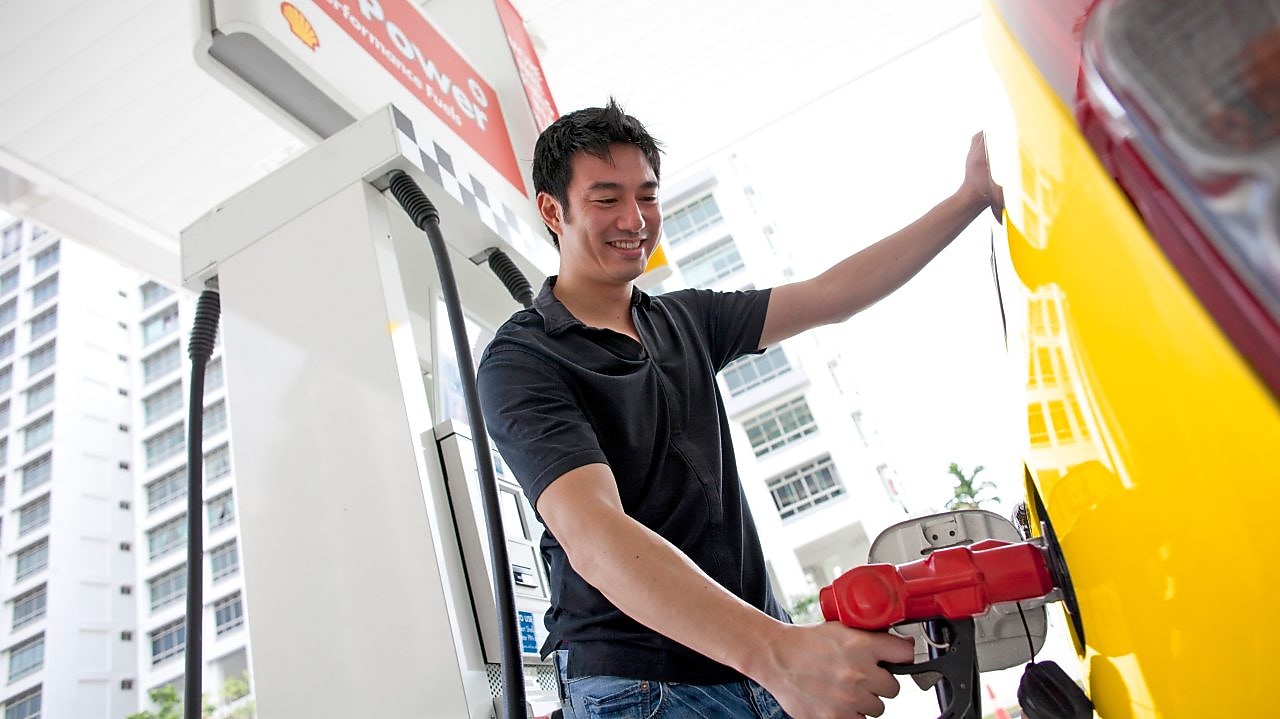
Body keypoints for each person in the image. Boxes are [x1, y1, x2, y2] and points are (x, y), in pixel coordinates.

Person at [476, 99, 1003, 719]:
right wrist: (777, 653)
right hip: (640, 684)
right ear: (551, 210)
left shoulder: (682, 321)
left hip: (755, 659)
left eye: (647, 196)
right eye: (606, 198)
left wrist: (968, 200)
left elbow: (831, 295)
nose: (635, 219)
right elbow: (595, 535)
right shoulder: (522, 359)